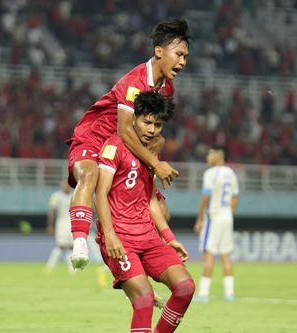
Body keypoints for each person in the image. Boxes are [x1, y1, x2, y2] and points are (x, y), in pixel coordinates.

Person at [67, 18, 191, 270]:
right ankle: (80, 242)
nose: (182, 62)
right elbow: (124, 129)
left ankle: (137, 257)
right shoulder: (135, 81)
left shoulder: (166, 90)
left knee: (160, 210)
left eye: (186, 57)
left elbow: (150, 132)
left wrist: (158, 146)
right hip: (95, 138)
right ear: (159, 51)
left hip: (124, 151)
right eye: (178, 54)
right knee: (89, 176)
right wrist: (156, 163)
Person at [95, 90, 195, 333]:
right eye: (146, 121)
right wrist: (110, 235)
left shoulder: (152, 154)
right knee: (144, 299)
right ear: (133, 119)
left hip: (148, 237)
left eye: (158, 124)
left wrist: (169, 238)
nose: (151, 129)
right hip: (120, 238)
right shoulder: (113, 146)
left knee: (185, 288)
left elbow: (150, 201)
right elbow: (100, 193)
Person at [193, 147, 239, 303]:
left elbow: (206, 196)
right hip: (227, 215)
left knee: (209, 253)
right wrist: (229, 214)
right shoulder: (231, 173)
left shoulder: (211, 173)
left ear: (218, 156)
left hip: (213, 216)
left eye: (210, 154)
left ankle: (204, 294)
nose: (207, 157)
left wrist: (200, 218)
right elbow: (235, 197)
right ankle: (229, 294)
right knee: (225, 255)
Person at [45, 179, 74, 272]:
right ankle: (50, 266)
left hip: (72, 223)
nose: (66, 187)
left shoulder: (75, 195)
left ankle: (72, 269)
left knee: (71, 246)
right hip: (61, 223)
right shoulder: (56, 196)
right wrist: (50, 225)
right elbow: (52, 211)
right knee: (60, 246)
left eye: (68, 185)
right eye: (64, 185)